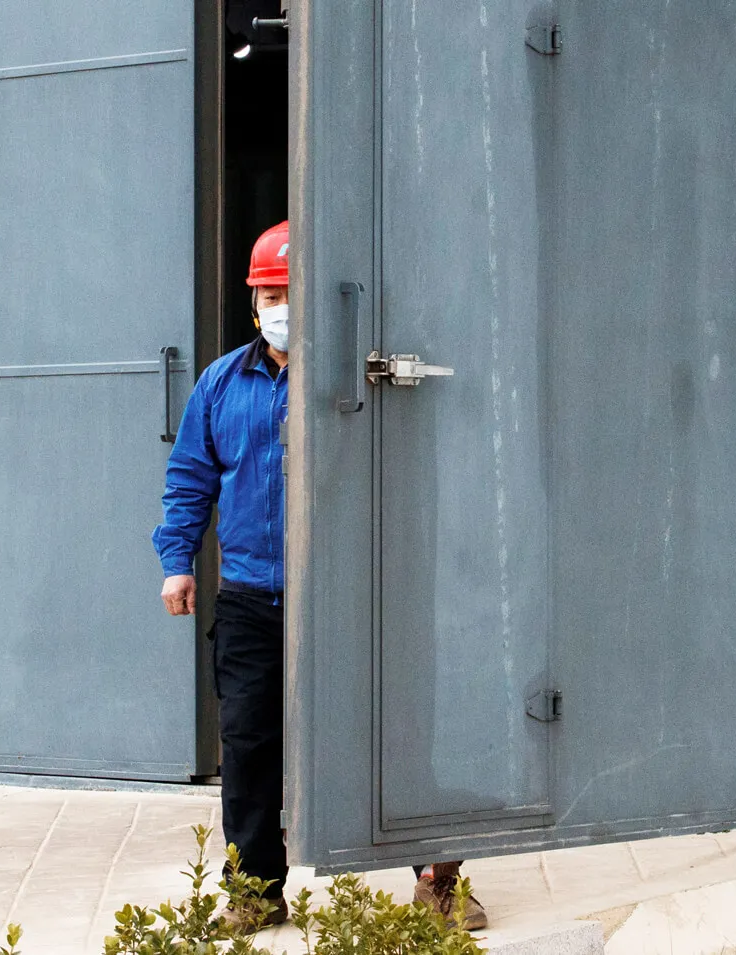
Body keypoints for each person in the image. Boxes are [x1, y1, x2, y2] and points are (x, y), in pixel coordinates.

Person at [152, 221, 487, 933]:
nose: (281, 306)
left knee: (396, 735)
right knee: (248, 745)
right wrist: (177, 562)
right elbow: (189, 478)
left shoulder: (359, 378)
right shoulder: (220, 383)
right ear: (253, 303)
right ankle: (254, 890)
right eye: (270, 294)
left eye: (291, 293)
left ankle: (439, 882)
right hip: (252, 597)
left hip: (351, 593)